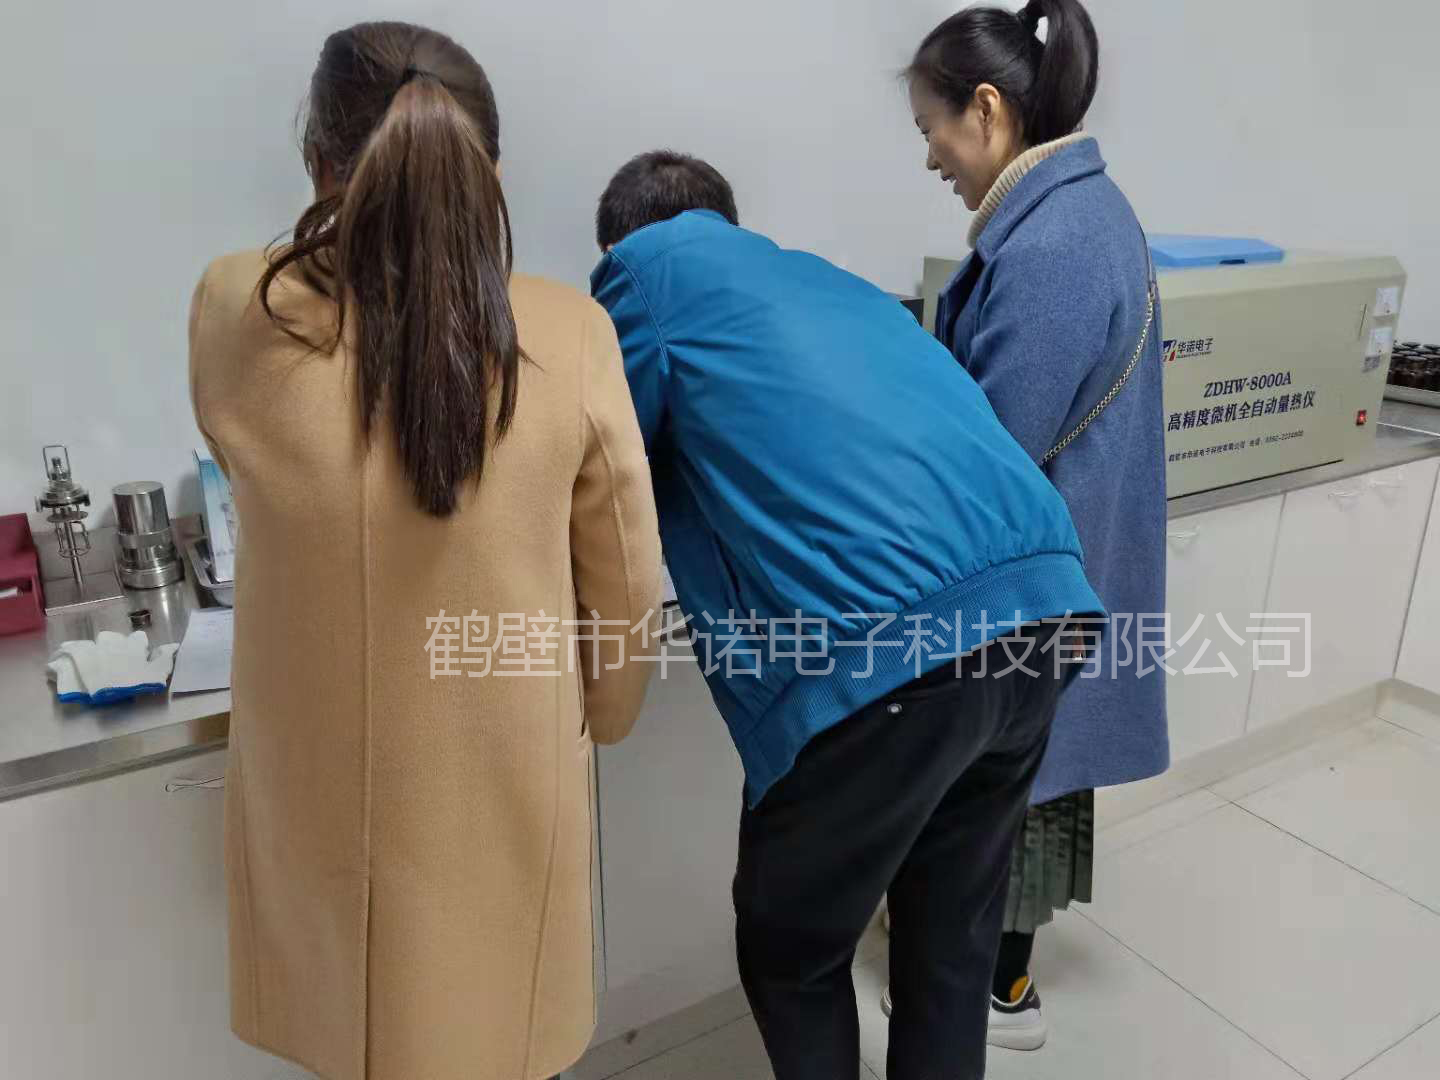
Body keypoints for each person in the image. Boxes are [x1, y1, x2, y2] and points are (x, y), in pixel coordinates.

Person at [188, 22, 661, 1080]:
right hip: (503, 784)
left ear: (318, 161)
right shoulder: (569, 334)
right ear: (489, 170)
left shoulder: (232, 309)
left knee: (349, 1041)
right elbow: (627, 585)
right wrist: (606, 716)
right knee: (496, 1040)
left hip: (316, 797)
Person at [590, 150, 1104, 1080]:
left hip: (889, 653)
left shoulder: (644, 273)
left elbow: (597, 454)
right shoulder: (835, 284)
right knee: (949, 941)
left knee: (791, 950)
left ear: (621, 242)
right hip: (1043, 615)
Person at [900, 0, 1169, 1050]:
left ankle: (999, 992)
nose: (930, 157)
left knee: (1010, 796)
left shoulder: (1054, 243)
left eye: (932, 130)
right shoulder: (1081, 214)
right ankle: (998, 977)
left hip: (1035, 588)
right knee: (1029, 787)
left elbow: (997, 457)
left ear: (986, 109)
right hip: (1065, 571)